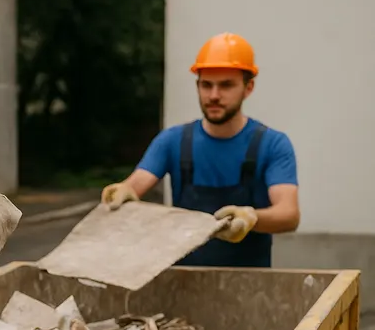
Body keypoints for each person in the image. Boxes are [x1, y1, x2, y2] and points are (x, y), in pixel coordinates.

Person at [101, 32, 300, 267]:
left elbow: (289, 215)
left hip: (249, 283)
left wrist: (251, 218)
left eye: (226, 85)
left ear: (248, 88)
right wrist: (123, 191)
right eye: (206, 85)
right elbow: (135, 186)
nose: (214, 95)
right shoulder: (172, 141)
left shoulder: (272, 144)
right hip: (184, 279)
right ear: (198, 86)